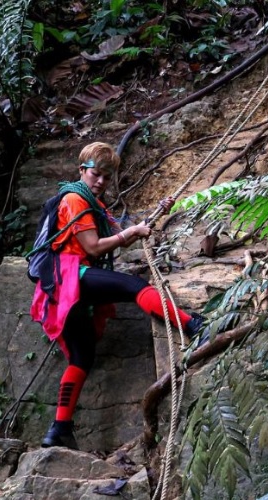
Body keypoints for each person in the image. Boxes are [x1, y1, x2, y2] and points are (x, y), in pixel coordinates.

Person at [30, 141, 204, 450]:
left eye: (107, 177)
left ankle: (58, 429)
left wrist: (148, 219)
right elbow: (94, 247)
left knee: (83, 358)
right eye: (96, 174)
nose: (100, 181)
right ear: (81, 170)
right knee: (135, 288)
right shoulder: (75, 199)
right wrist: (131, 234)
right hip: (70, 275)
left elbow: (117, 232)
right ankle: (192, 326)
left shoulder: (91, 203)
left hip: (60, 285)